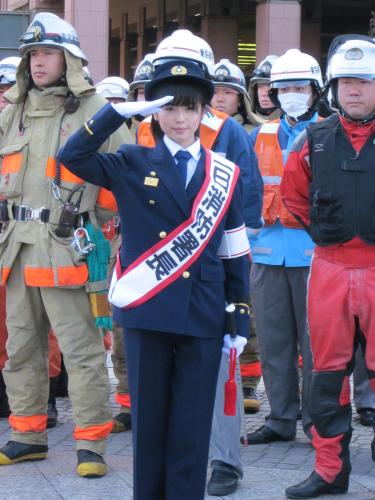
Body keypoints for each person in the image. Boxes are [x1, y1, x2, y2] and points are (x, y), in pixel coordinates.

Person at [58, 58, 251, 500]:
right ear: (154, 112)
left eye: (189, 108)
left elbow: (234, 251)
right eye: (169, 107)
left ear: (205, 112)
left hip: (202, 314)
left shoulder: (223, 173)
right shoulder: (130, 159)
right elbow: (71, 156)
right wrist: (113, 114)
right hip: (148, 311)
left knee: (191, 428)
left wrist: (238, 314)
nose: (179, 118)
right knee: (149, 429)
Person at [0, 12, 132, 477]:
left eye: (48, 53)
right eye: (33, 53)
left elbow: (125, 180)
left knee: (80, 351)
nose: (38, 62)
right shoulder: (10, 111)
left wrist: (104, 237)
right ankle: (27, 434)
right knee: (20, 348)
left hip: (69, 249)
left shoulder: (98, 111)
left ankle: (92, 441)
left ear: (70, 58)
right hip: (16, 249)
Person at [135, 30, 263, 496]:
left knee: (215, 384)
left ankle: (225, 461)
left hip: (207, 277)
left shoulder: (227, 129)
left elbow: (242, 206)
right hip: (158, 276)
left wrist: (237, 292)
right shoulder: (147, 123)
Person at [281, 34, 375, 498]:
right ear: (333, 88)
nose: (353, 90)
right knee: (325, 378)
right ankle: (329, 472)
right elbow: (293, 196)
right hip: (330, 268)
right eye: (345, 82)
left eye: (363, 81)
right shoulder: (312, 139)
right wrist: (325, 232)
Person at [246, 48, 323, 445]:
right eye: (285, 88)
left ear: (315, 90)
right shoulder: (258, 135)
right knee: (274, 342)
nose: (293, 94)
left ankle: (317, 419)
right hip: (266, 254)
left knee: (317, 346)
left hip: (316, 257)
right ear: (273, 94)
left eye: (300, 87)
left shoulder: (330, 133)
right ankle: (280, 418)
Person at [96, 74, 133, 433]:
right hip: (100, 244)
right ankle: (122, 401)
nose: (113, 111)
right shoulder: (90, 141)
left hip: (129, 242)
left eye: (118, 103)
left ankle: (136, 400)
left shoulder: (138, 140)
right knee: (106, 324)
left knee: (127, 324)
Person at [247, 55, 280, 126]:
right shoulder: (242, 128)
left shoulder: (294, 128)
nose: (264, 94)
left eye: (270, 86)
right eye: (260, 86)